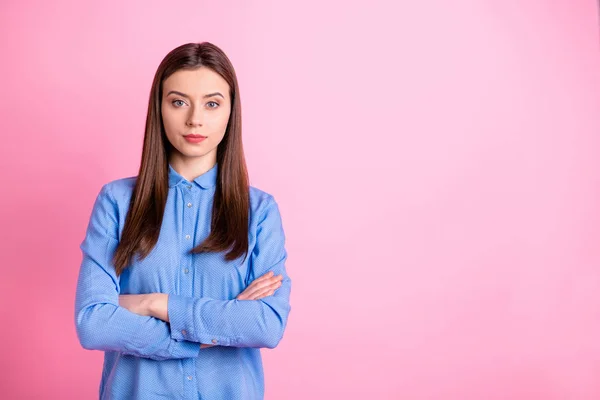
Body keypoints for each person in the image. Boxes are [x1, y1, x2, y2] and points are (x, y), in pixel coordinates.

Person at [74, 42, 292, 400]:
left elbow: (266, 325)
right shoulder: (116, 202)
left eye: (212, 103)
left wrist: (152, 304)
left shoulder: (261, 211)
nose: (195, 119)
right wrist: (211, 331)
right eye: (178, 102)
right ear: (159, 108)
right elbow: (94, 324)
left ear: (230, 112)